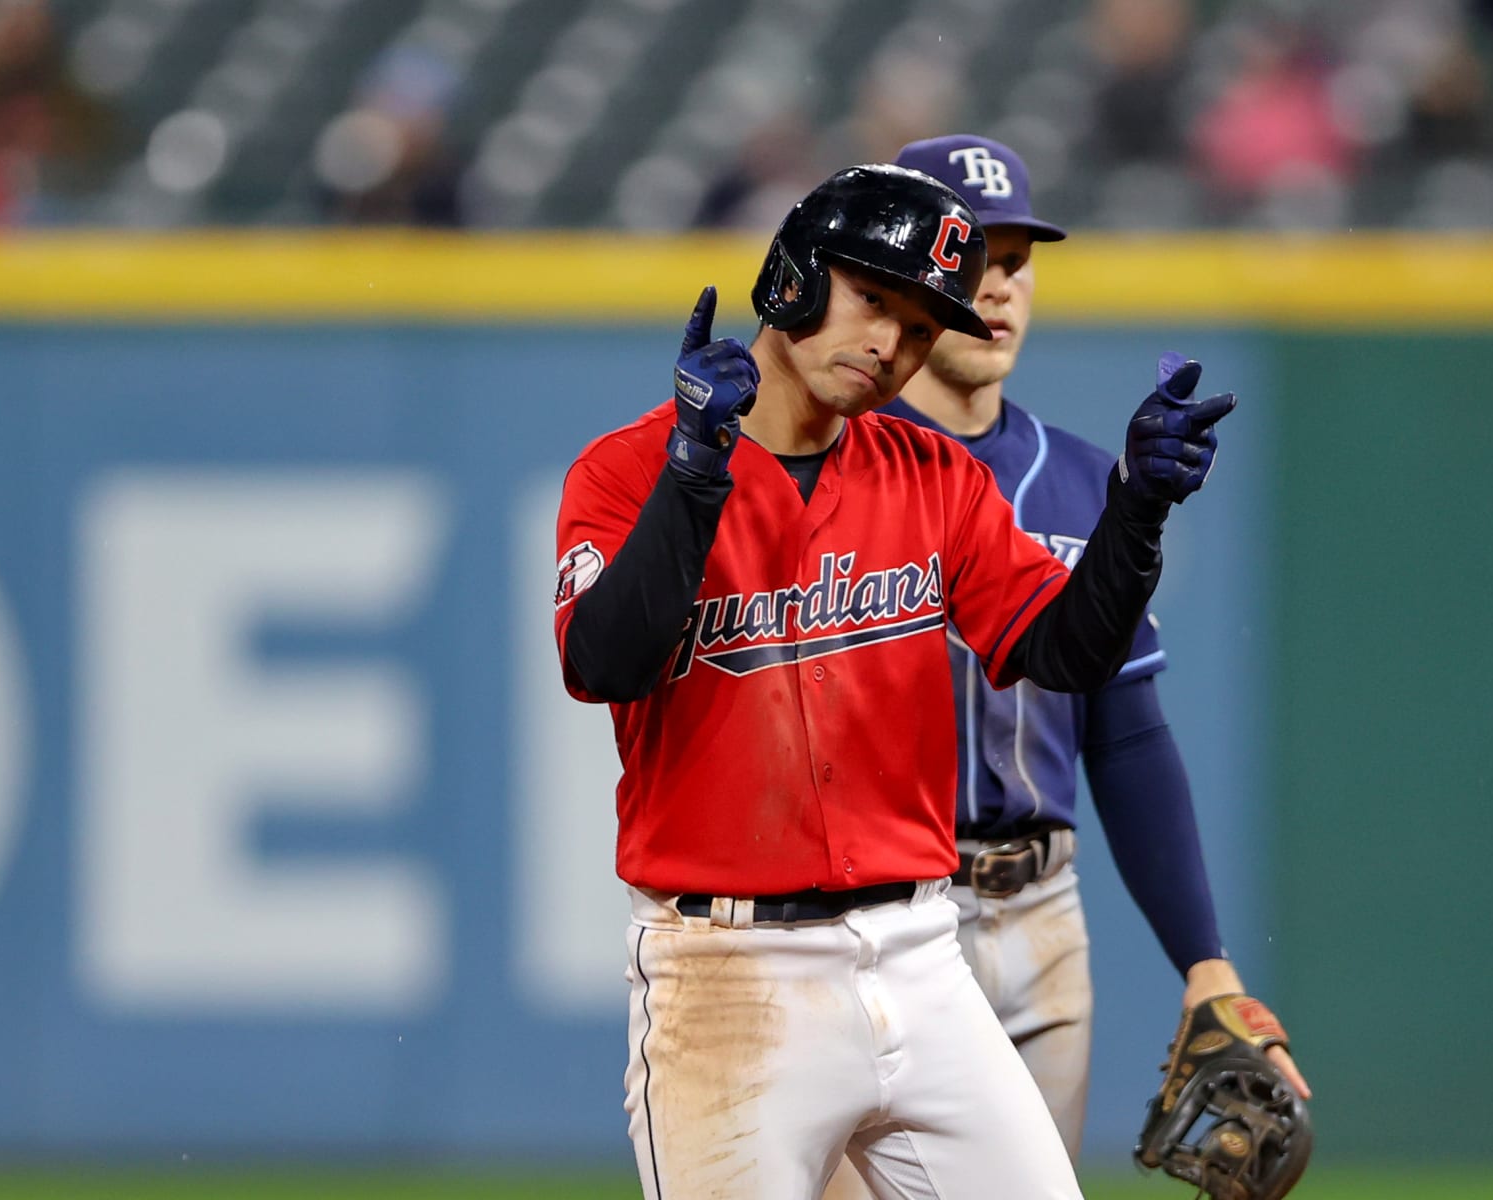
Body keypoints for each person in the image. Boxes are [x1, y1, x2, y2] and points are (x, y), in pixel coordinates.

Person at [553, 162, 1235, 1199]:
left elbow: (1061, 653)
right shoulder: (625, 471)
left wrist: (1135, 513)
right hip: (729, 977)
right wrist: (696, 473)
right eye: (874, 299)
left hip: (922, 955)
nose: (891, 345)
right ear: (791, 282)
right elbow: (604, 663)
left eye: (919, 327)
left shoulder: (933, 480)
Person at [814, 136, 1306, 1200]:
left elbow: (1126, 735)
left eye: (1017, 259)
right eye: (969, 255)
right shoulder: (830, 469)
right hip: (877, 913)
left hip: (1040, 915)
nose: (997, 284)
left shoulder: (1090, 484)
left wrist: (1203, 959)